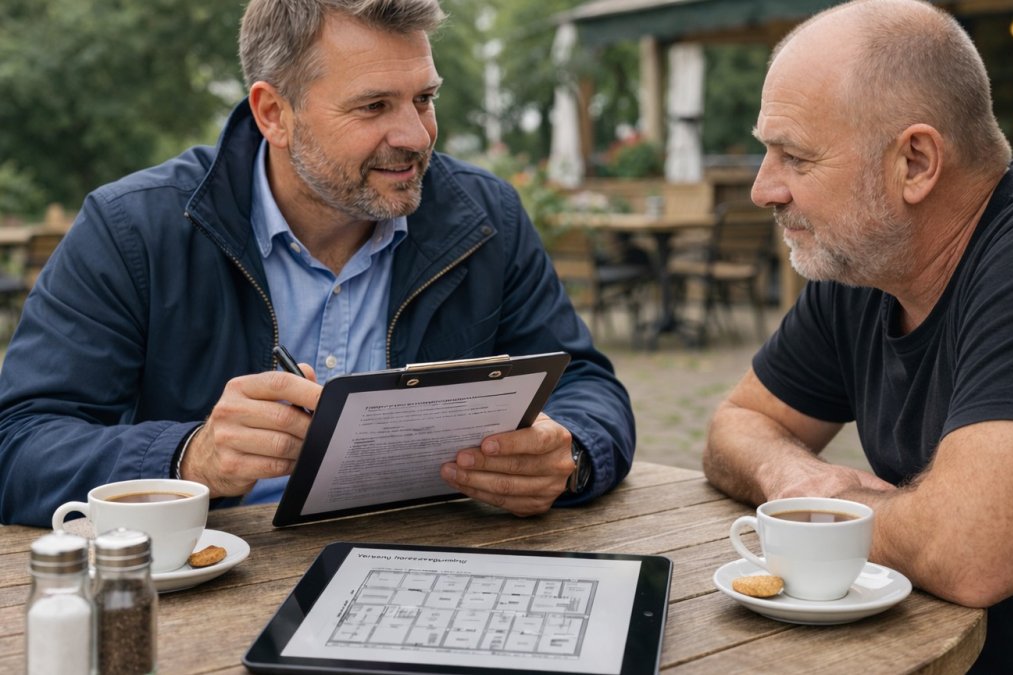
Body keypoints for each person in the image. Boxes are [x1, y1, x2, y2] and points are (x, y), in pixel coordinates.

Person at [0, 0, 634, 526]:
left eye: (424, 98)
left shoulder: (484, 215)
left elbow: (588, 387)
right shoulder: (132, 228)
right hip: (213, 584)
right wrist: (189, 458)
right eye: (373, 106)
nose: (415, 135)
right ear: (273, 113)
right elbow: (18, 444)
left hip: (445, 560)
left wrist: (569, 454)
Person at [703, 1, 1013, 672]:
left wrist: (838, 511)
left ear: (915, 161)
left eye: (794, 156)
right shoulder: (863, 271)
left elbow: (971, 553)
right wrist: (796, 477)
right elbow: (737, 424)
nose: (764, 189)